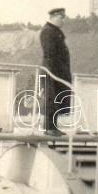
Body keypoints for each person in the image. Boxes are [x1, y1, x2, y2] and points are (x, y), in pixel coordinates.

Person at [39, 7, 72, 136]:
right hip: (50, 70)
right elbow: (49, 54)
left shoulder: (55, 32)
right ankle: (49, 128)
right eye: (61, 17)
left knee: (57, 98)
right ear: (53, 17)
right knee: (51, 98)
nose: (63, 20)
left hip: (56, 70)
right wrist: (54, 71)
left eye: (64, 18)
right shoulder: (48, 31)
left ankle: (53, 127)